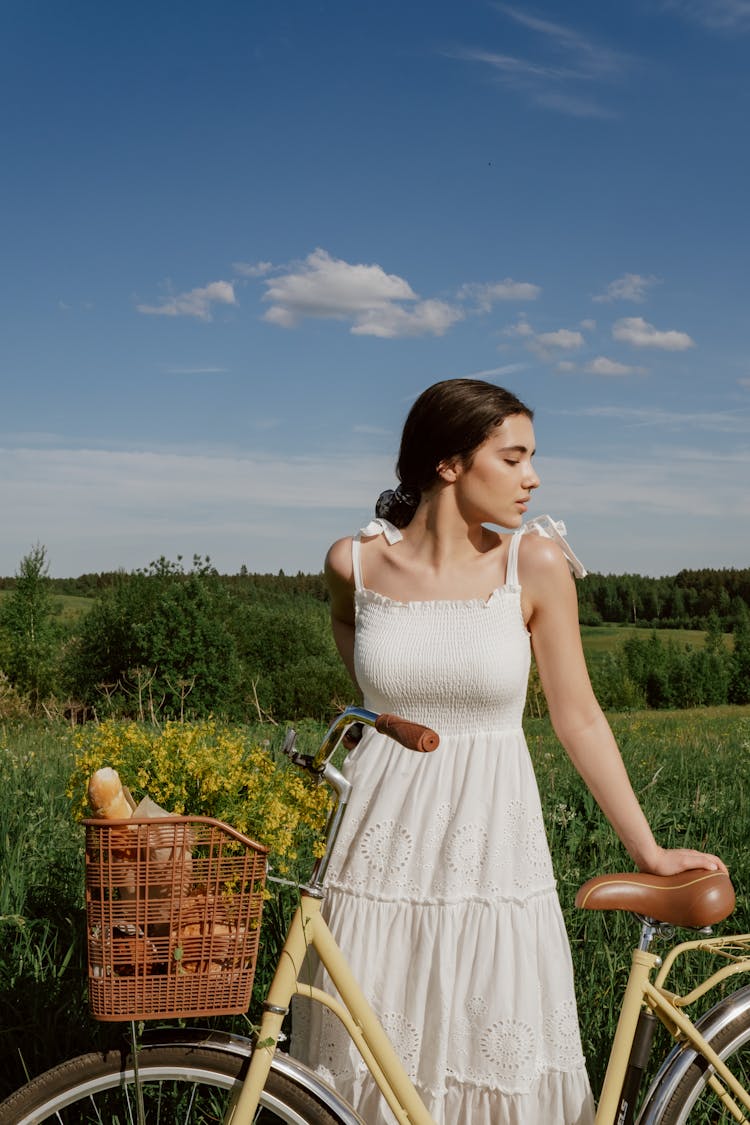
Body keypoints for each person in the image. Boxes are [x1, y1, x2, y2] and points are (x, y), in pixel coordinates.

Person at [291, 378, 727, 1125]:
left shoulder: (536, 565)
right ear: (450, 464)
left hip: (492, 841)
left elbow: (579, 718)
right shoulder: (353, 563)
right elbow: (355, 652)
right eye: (514, 456)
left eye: (533, 458)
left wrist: (649, 850)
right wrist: (385, 718)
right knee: (369, 1050)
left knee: (490, 1042)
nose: (533, 476)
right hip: (375, 847)